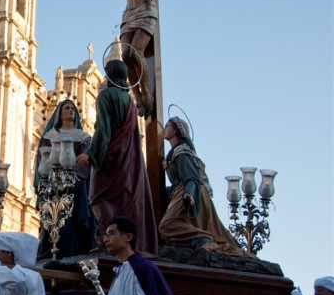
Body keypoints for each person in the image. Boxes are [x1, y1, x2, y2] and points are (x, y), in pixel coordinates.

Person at [76, 60, 157, 256]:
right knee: (122, 202)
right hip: (127, 159)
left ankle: (106, 240)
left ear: (110, 75)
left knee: (97, 197)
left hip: (109, 159)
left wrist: (91, 153)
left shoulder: (105, 95)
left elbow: (104, 129)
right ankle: (120, 241)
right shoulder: (129, 100)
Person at [159, 117, 249, 255]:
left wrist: (189, 193)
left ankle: (203, 240)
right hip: (180, 191)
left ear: (176, 130)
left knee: (167, 225)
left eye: (167, 126)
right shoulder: (173, 153)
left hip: (189, 191)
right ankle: (195, 242)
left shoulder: (182, 152)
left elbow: (192, 177)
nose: (164, 129)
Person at [35, 99, 97, 259]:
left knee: (73, 220)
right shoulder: (49, 136)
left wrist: (70, 180)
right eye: (67, 108)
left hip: (75, 186)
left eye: (73, 109)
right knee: (51, 217)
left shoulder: (83, 137)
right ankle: (50, 250)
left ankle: (70, 251)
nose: (71, 111)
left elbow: (84, 162)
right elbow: (42, 158)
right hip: (52, 184)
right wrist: (48, 178)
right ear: (59, 113)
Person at [100, 216, 176, 295]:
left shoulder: (144, 268)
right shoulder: (118, 273)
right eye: (105, 235)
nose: (105, 239)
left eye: (112, 233)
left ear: (128, 237)